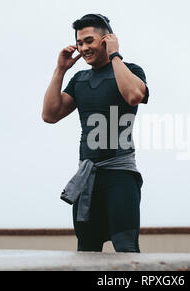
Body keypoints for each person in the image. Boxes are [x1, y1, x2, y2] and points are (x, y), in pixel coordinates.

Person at [42, 14, 149, 253]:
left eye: (89, 40)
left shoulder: (131, 70)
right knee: (86, 251)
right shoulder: (79, 79)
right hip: (87, 178)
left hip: (120, 176)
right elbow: (50, 115)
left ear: (107, 39)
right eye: (80, 43)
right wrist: (60, 70)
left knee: (126, 248)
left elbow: (133, 96)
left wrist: (115, 55)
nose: (84, 47)